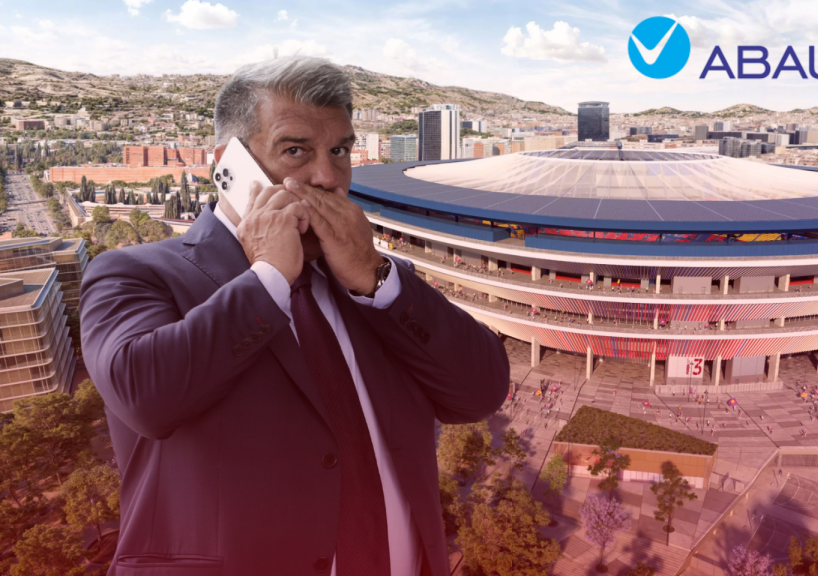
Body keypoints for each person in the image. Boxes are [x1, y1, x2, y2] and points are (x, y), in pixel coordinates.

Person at [79, 57, 509, 576]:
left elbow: (482, 390)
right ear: (228, 166)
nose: (327, 177)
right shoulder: (133, 272)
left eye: (340, 151)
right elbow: (145, 396)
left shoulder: (372, 284)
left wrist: (377, 277)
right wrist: (267, 280)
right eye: (295, 150)